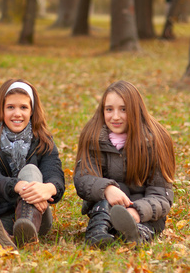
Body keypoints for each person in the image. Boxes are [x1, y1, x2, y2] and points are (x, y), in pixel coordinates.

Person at [0, 79, 65, 248]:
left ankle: (25, 225)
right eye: (10, 107)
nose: (17, 113)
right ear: (0, 109)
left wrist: (49, 189)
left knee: (31, 170)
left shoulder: (43, 141)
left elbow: (55, 174)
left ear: (32, 110)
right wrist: (18, 186)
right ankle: (6, 234)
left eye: (23, 107)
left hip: (38, 216)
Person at [74, 80, 175, 247]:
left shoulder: (156, 140)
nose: (115, 117)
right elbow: (83, 178)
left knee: (152, 222)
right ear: (102, 110)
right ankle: (97, 233)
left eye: (123, 109)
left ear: (136, 110)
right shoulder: (93, 137)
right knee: (108, 200)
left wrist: (137, 211)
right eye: (109, 109)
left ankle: (135, 235)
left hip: (144, 210)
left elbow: (161, 194)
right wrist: (107, 189)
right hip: (105, 205)